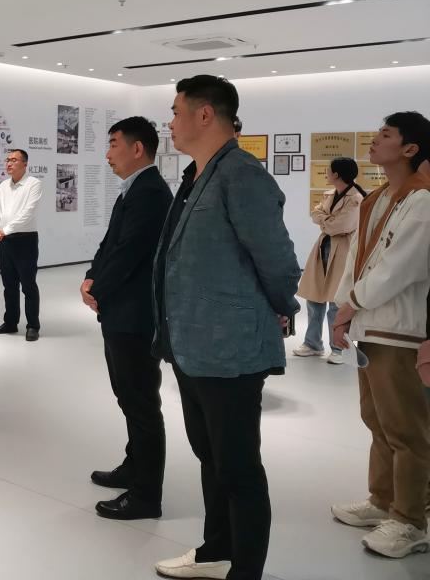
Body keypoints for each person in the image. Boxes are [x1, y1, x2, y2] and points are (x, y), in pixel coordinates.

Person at [153, 76, 300, 580]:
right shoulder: (198, 175)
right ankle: (216, 550)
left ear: (205, 115)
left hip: (230, 350)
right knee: (211, 457)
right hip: (192, 345)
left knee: (237, 468)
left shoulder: (241, 175)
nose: (170, 122)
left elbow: (278, 260)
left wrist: (282, 306)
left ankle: (245, 570)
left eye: (176, 112)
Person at [330, 112, 430, 559]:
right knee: (377, 420)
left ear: (410, 148)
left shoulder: (422, 200)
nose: (374, 140)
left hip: (397, 329)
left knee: (406, 429)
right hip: (368, 324)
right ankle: (383, 501)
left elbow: (400, 267)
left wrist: (352, 303)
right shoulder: (378, 198)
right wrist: (343, 309)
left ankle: (411, 520)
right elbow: (357, 260)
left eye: (385, 135)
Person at [81, 116, 172, 520]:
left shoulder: (150, 192)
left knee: (140, 402)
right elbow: (109, 244)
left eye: (114, 144)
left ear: (137, 149)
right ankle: (134, 466)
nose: (107, 154)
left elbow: (130, 251)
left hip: (135, 316)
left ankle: (146, 495)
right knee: (129, 396)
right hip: (121, 312)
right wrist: (91, 277)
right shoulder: (133, 190)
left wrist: (98, 289)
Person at [294, 158, 366, 364]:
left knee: (336, 301)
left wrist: (325, 221)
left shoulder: (357, 198)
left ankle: (338, 348)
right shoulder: (329, 194)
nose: (326, 173)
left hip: (343, 250)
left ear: (336, 174)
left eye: (328, 170)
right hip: (323, 248)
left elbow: (340, 226)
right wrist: (328, 221)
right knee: (314, 298)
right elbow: (315, 213)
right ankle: (312, 344)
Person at [0, 149, 43, 341]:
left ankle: (33, 325)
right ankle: (11, 322)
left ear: (25, 164)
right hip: (5, 241)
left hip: (25, 240)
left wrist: (5, 229)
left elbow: (27, 213)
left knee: (28, 285)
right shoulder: (4, 185)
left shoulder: (33, 184)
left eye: (14, 160)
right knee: (9, 285)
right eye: (8, 160)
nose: (9, 163)